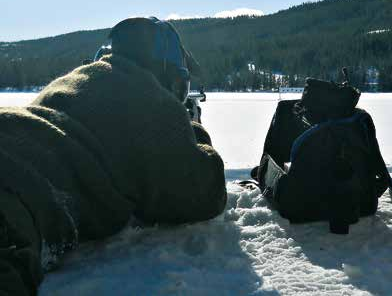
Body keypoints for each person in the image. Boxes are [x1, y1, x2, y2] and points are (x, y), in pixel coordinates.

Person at [0, 17, 226, 295]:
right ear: (165, 74)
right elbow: (205, 193)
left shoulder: (74, 82)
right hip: (14, 193)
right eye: (180, 88)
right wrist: (193, 128)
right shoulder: (151, 104)